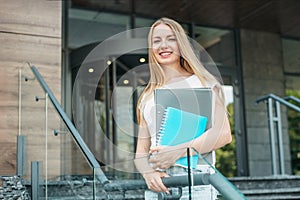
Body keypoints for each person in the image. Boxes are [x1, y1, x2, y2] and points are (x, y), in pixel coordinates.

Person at [134, 17, 232, 199]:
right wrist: (148, 173)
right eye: (156, 41)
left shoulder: (206, 83)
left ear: (181, 45)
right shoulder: (147, 95)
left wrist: (180, 150)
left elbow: (224, 134)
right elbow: (141, 151)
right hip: (159, 182)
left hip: (197, 178)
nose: (163, 45)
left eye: (170, 39)